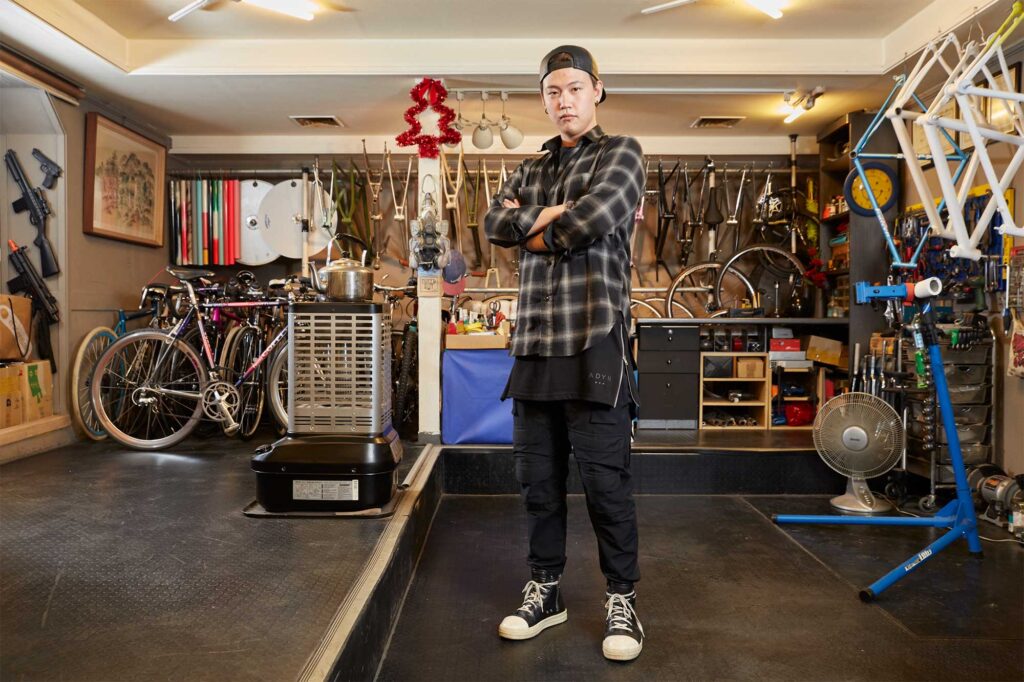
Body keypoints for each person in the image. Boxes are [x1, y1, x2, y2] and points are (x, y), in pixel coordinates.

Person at [483, 44, 647, 662]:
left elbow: (595, 218)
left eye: (575, 88)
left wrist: (532, 224)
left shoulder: (622, 152)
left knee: (606, 483)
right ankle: (546, 590)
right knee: (538, 483)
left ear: (597, 90)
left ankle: (622, 598)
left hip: (594, 338)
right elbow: (489, 227)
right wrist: (549, 216)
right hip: (533, 344)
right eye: (553, 91)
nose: (564, 100)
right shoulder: (529, 168)